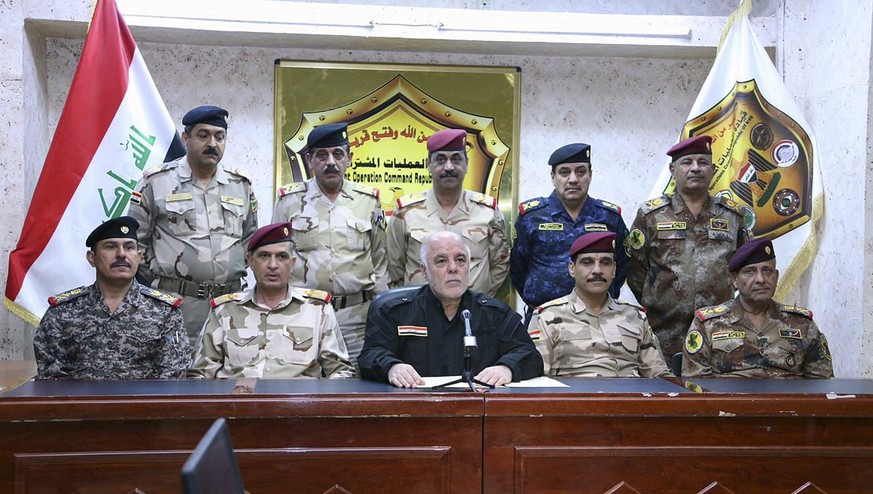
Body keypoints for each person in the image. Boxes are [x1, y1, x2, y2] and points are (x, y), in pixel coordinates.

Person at [129, 105, 258, 347]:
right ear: (185, 138)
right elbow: (135, 246)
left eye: (220, 137)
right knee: (176, 378)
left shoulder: (241, 185)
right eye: (203, 135)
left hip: (230, 304)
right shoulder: (156, 182)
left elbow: (250, 241)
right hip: (176, 304)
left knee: (227, 377)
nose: (212, 143)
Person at [359, 231, 542, 388]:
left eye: (460, 260)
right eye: (441, 261)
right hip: (413, 411)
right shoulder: (394, 311)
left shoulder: (494, 313)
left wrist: (507, 368)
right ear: (424, 271)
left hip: (476, 412)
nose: (453, 268)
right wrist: (392, 367)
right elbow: (370, 355)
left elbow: (530, 355)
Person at [272, 122, 388, 367]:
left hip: (356, 319)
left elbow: (381, 262)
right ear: (310, 160)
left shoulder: (368, 201)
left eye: (338, 154)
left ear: (349, 158)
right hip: (304, 316)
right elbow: (276, 258)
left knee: (357, 391)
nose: (331, 162)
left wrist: (382, 316)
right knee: (302, 388)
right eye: (322, 156)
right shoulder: (289, 201)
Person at [627, 135, 749, 361]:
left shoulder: (733, 216)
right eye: (687, 162)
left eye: (702, 163)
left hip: (720, 330)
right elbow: (635, 269)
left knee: (717, 393)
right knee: (666, 392)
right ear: (673, 170)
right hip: (664, 331)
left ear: (713, 169)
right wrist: (662, 301)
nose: (695, 168)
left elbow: (745, 266)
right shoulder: (651, 215)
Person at [188, 223, 355, 379]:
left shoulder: (317, 308)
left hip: (298, 406)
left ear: (292, 263)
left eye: (282, 257)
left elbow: (340, 371)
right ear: (250, 261)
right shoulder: (224, 310)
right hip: (239, 406)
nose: (273, 265)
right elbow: (200, 375)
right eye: (264, 256)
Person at [33, 217, 190, 379]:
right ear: (91, 258)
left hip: (144, 403)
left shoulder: (164, 311)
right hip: (79, 403)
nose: (121, 254)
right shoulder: (62, 312)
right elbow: (51, 376)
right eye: (110, 247)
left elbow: (173, 374)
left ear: (139, 257)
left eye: (129, 248)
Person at [511, 143, 628, 326]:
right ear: (553, 177)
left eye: (580, 172)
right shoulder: (532, 216)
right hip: (543, 319)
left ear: (590, 175)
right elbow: (517, 269)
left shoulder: (609, 217)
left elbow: (620, 266)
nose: (573, 179)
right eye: (564, 172)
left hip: (598, 319)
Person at [682, 237, 833, 378]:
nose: (761, 279)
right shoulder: (708, 325)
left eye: (767, 271)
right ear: (734, 279)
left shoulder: (803, 325)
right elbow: (695, 387)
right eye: (750, 272)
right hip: (728, 404)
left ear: (776, 276)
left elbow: (822, 383)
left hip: (788, 405)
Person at [386, 128, 510, 297]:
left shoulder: (487, 211)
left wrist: (478, 297)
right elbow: (395, 267)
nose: (449, 167)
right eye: (441, 159)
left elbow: (500, 264)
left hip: (472, 314)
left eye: (456, 159)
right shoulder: (406, 211)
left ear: (466, 163)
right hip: (421, 313)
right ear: (428, 164)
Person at [529, 232, 672, 378]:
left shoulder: (635, 316)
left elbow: (658, 373)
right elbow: (537, 378)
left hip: (629, 397)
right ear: (572, 268)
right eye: (587, 262)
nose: (597, 270)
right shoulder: (547, 317)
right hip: (575, 398)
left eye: (605, 262)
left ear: (614, 270)